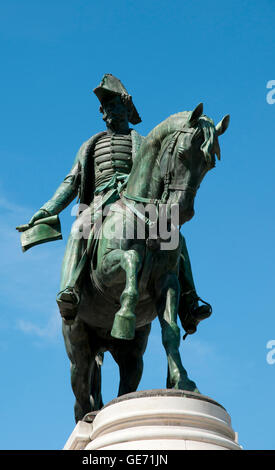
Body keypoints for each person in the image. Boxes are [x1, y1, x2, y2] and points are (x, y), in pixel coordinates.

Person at [28, 73, 211, 334]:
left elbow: (160, 178)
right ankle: (69, 289)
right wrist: (48, 209)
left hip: (140, 203)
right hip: (101, 202)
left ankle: (190, 301)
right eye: (106, 108)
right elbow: (71, 182)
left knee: (175, 237)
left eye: (115, 106)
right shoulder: (90, 145)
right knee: (78, 228)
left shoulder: (144, 143)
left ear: (127, 108)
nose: (110, 113)